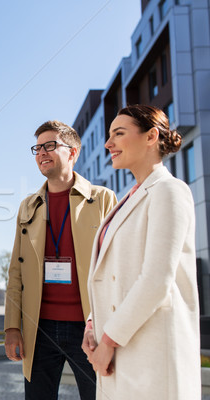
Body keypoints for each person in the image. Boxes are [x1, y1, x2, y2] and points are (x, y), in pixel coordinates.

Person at [82, 105, 200, 399]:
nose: (108, 144)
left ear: (151, 137)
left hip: (150, 352)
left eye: (118, 134)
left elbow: (156, 279)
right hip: (119, 353)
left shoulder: (170, 191)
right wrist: (92, 325)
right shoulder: (128, 199)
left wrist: (108, 341)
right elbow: (111, 275)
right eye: (109, 136)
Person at [4, 120, 117, 400]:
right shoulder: (28, 206)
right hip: (38, 327)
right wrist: (11, 326)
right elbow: (16, 270)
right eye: (38, 147)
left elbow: (117, 267)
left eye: (51, 145)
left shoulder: (103, 199)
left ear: (74, 152)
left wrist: (113, 329)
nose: (42, 152)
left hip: (89, 326)